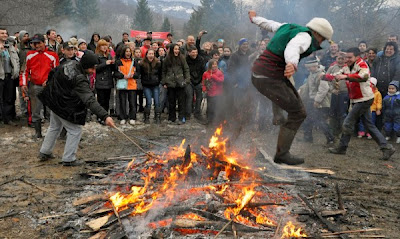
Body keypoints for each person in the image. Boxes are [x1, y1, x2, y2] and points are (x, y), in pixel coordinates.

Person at [248, 10, 333, 165]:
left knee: (289, 88)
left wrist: (254, 19)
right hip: (269, 78)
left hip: (259, 75)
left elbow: (269, 24)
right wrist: (291, 63)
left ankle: (278, 115)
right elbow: (293, 48)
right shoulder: (305, 37)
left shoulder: (288, 27)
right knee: (299, 113)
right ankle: (282, 154)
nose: (321, 43)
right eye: (323, 40)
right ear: (318, 34)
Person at [38, 52, 115, 166]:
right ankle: (69, 159)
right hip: (63, 104)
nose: (93, 71)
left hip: (53, 100)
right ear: (86, 65)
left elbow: (52, 72)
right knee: (75, 130)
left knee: (54, 126)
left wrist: (49, 84)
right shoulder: (79, 78)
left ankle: (45, 151)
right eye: (92, 68)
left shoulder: (69, 63)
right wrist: (105, 116)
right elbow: (89, 100)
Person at [328, 48, 395, 160]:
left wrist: (346, 77)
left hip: (364, 99)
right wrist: (325, 76)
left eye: (350, 57)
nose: (347, 60)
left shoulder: (362, 65)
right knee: (369, 125)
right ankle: (387, 148)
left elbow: (364, 77)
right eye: (346, 57)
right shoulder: (347, 66)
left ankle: (342, 147)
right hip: (357, 99)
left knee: (348, 122)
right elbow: (337, 75)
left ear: (357, 57)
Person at [20, 34, 59, 138]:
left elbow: (57, 72)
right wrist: (23, 83)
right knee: (36, 111)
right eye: (34, 43)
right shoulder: (29, 54)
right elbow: (24, 71)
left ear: (44, 42)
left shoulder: (52, 55)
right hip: (35, 86)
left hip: (49, 87)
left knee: (52, 111)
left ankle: (54, 132)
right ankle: (38, 133)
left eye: (39, 43)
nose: (36, 45)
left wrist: (51, 82)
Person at [299, 59, 334, 143]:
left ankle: (331, 138)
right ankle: (307, 138)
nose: (308, 69)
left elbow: (324, 89)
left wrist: (317, 101)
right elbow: (307, 85)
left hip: (320, 102)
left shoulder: (321, 75)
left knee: (320, 121)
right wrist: (300, 90)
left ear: (315, 66)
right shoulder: (312, 74)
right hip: (312, 100)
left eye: (310, 67)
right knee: (308, 119)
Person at [95, 39, 123, 124]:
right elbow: (95, 69)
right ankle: (100, 116)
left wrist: (114, 63)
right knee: (101, 101)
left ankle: (105, 116)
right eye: (102, 45)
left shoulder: (109, 55)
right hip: (100, 81)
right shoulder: (96, 56)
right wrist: (105, 64)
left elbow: (113, 69)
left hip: (108, 81)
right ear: (99, 47)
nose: (104, 47)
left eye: (106, 45)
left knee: (107, 100)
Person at [161, 44, 190, 124]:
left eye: (178, 49)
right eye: (175, 49)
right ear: (172, 50)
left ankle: (181, 117)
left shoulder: (182, 58)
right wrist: (164, 82)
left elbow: (186, 69)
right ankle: (171, 117)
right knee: (171, 102)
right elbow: (163, 71)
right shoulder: (167, 59)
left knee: (181, 101)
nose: (176, 51)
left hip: (180, 82)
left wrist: (187, 80)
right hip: (170, 82)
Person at [325, 52, 350, 137]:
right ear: (336, 59)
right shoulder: (332, 68)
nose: (340, 60)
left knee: (342, 113)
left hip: (345, 93)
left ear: (345, 59)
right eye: (339, 58)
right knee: (333, 113)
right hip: (334, 94)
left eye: (342, 59)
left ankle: (343, 132)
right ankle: (333, 132)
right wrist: (332, 90)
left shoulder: (348, 68)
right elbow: (326, 79)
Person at [0, 28, 20, 126]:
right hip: (0, 76)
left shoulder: (10, 46)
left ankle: (8, 118)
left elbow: (16, 60)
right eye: (2, 33)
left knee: (9, 98)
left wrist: (16, 71)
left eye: (5, 33)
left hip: (9, 76)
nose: (4, 35)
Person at [116, 46, 139, 125]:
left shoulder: (134, 61)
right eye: (126, 51)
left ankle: (132, 117)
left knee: (132, 102)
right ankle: (123, 117)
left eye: (129, 51)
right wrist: (122, 76)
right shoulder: (119, 61)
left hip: (132, 84)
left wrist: (133, 75)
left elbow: (138, 73)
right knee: (122, 102)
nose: (128, 53)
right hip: (123, 84)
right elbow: (115, 73)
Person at [140, 49, 162, 124]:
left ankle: (158, 117)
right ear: (146, 55)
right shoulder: (142, 63)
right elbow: (141, 74)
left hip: (155, 84)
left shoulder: (158, 63)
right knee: (148, 101)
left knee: (157, 101)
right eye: (149, 54)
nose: (151, 55)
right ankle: (146, 117)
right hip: (146, 85)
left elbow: (160, 74)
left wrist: (159, 81)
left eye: (152, 54)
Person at [186, 46, 206, 121]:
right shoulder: (185, 59)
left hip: (199, 80)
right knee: (189, 96)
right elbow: (186, 71)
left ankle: (197, 113)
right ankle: (188, 113)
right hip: (189, 80)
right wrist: (189, 79)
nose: (195, 54)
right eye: (193, 52)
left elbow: (203, 71)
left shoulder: (201, 59)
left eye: (196, 52)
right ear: (189, 53)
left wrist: (202, 81)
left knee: (199, 97)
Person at [202, 59, 224, 125]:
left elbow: (221, 80)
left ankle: (217, 120)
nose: (214, 66)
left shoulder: (219, 72)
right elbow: (204, 82)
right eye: (212, 64)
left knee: (216, 107)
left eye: (215, 64)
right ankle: (209, 120)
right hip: (209, 93)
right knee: (209, 107)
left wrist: (214, 77)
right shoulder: (205, 73)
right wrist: (204, 89)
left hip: (217, 93)